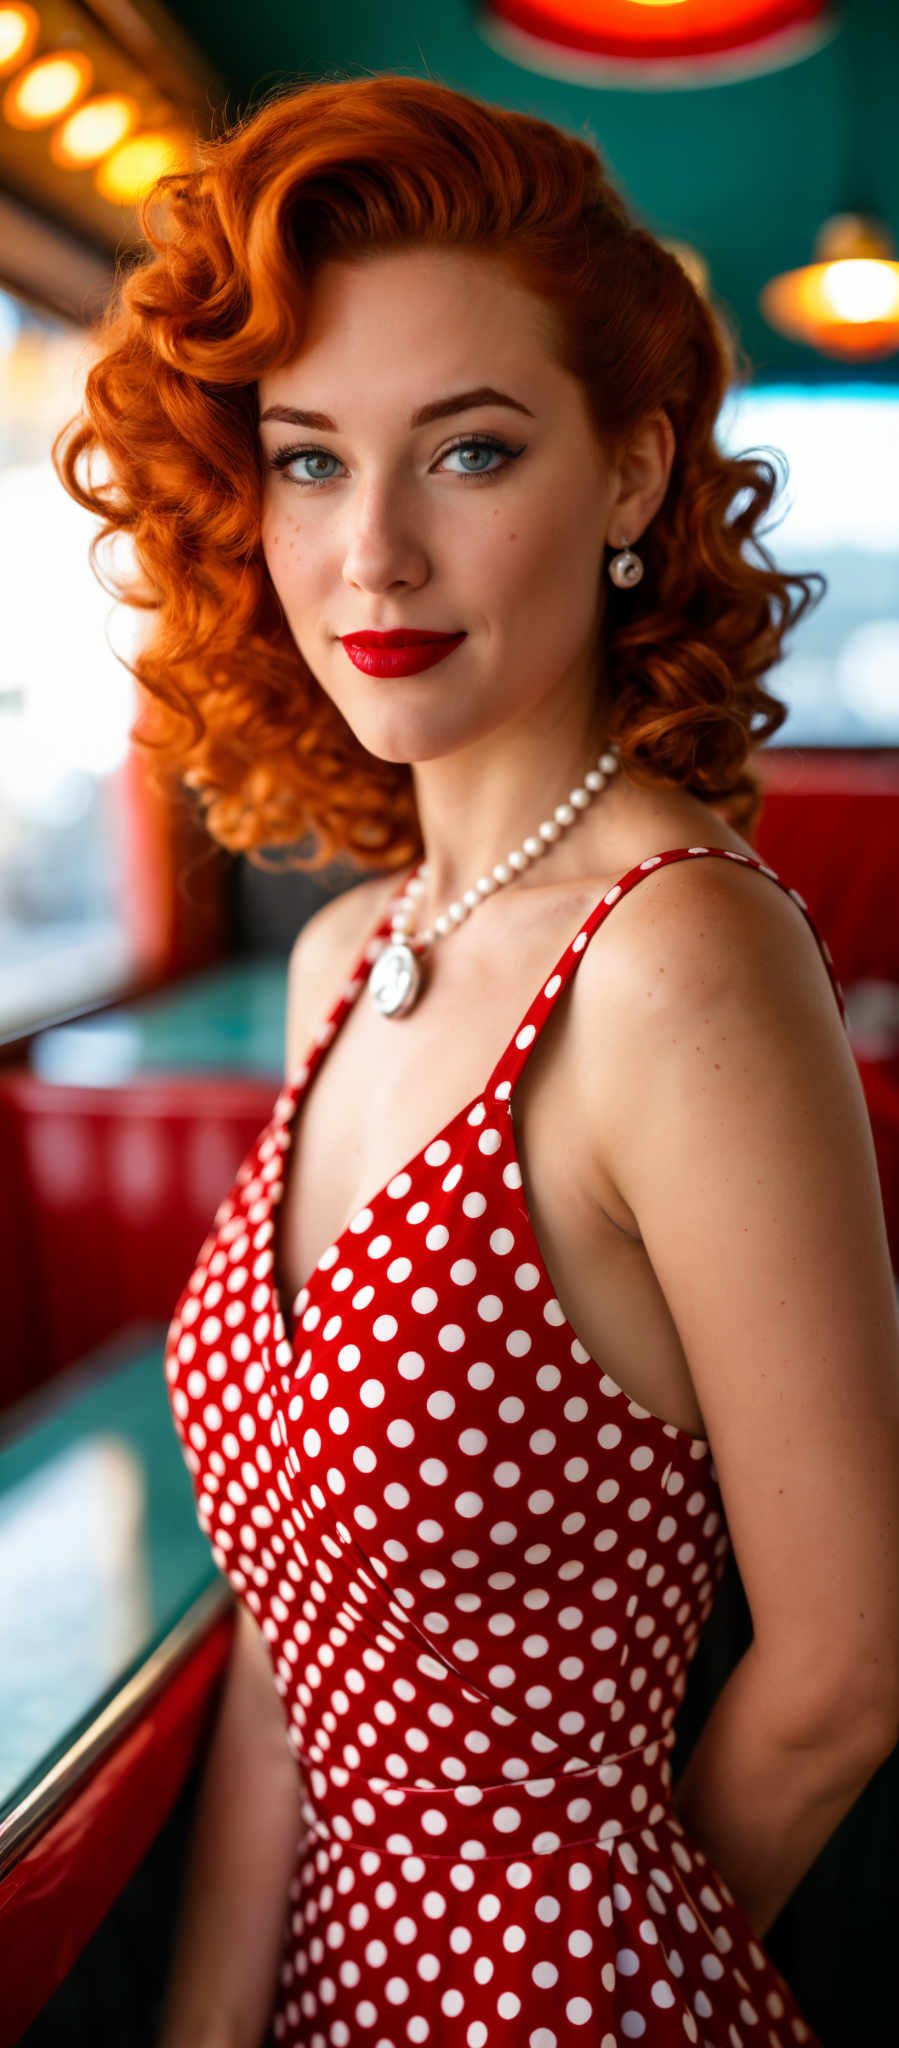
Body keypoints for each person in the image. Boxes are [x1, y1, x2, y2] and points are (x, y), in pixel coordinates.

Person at [54, 71, 899, 2048]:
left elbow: (850, 1665)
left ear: (626, 479)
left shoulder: (679, 956)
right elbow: (288, 1631)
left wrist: (576, 1970)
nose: (375, 558)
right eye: (311, 460)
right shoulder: (356, 954)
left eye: (473, 450)